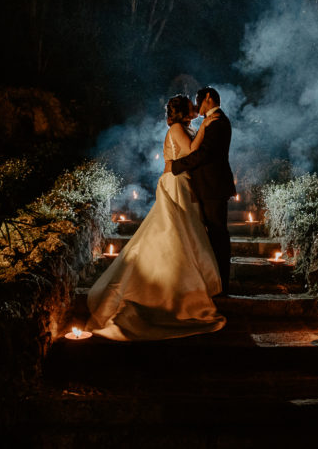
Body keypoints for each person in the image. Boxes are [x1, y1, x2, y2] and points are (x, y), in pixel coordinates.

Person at [86, 94, 226, 341]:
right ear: (183, 111)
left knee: (185, 230)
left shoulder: (184, 127)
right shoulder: (176, 129)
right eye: (191, 106)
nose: (195, 108)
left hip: (184, 182)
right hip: (176, 183)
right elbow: (192, 151)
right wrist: (205, 126)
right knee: (176, 230)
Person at [165, 86, 236, 296]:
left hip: (213, 188)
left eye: (198, 101)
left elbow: (202, 154)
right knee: (211, 236)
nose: (196, 107)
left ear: (208, 98)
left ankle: (221, 285)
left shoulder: (218, 122)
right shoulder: (210, 122)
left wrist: (175, 166)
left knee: (218, 236)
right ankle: (213, 281)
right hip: (206, 187)